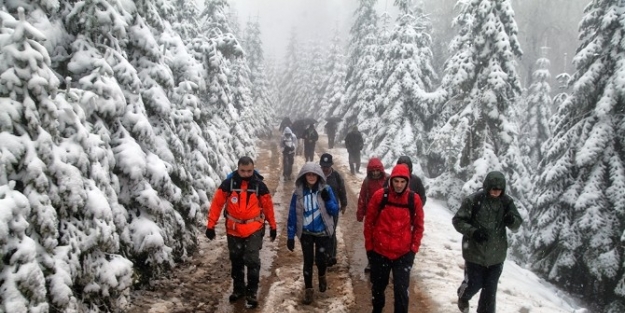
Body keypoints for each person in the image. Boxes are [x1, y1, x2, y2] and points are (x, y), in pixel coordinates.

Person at [205, 157, 277, 309]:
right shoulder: (228, 185)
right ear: (237, 169)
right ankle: (238, 289)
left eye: (249, 171)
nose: (246, 174)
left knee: (252, 259)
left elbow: (268, 207)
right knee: (236, 260)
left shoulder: (259, 186)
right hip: (234, 229)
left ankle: (252, 292)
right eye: (242, 171)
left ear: (253, 169)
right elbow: (217, 204)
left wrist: (273, 226)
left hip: (254, 228)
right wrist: (210, 225)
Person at [452, 171, 522, 313]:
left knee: (490, 293)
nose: (496, 192)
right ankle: (464, 296)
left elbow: (517, 224)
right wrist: (474, 232)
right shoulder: (474, 200)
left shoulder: (506, 202)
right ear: (487, 186)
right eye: (493, 189)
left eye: (499, 189)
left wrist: (512, 220)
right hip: (474, 253)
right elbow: (458, 220)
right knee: (474, 284)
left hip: (496, 256)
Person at [364, 163, 424, 313]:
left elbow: (419, 226)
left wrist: (413, 250)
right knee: (378, 288)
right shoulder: (380, 196)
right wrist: (370, 248)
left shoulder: (413, 200)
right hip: (380, 252)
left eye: (402, 182)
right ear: (391, 180)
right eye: (396, 181)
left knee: (401, 292)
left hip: (403, 254)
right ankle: (377, 309)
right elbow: (369, 223)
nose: (399, 185)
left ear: (407, 182)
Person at [286, 162, 339, 305]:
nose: (311, 177)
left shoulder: (325, 190)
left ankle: (322, 275)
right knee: (308, 261)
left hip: (322, 232)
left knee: (321, 261)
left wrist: (328, 200)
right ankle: (308, 290)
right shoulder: (298, 193)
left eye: (314, 174)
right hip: (306, 233)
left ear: (318, 175)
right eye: (308, 174)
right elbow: (292, 215)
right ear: (304, 176)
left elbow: (334, 211)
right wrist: (290, 236)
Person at [356, 157, 388, 273]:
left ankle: (383, 261)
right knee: (370, 238)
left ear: (381, 170)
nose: (375, 173)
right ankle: (371, 261)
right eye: (373, 171)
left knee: (383, 238)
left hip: (385, 215)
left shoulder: (388, 180)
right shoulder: (367, 181)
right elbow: (363, 197)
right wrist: (360, 212)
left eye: (377, 171)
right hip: (371, 214)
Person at [319, 153, 347, 267]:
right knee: (321, 233)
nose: (325, 168)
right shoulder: (316, 175)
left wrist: (344, 204)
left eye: (327, 166)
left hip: (333, 209)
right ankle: (321, 254)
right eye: (323, 166)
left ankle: (331, 256)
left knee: (331, 231)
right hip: (318, 209)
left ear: (331, 165)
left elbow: (342, 191)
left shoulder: (336, 176)